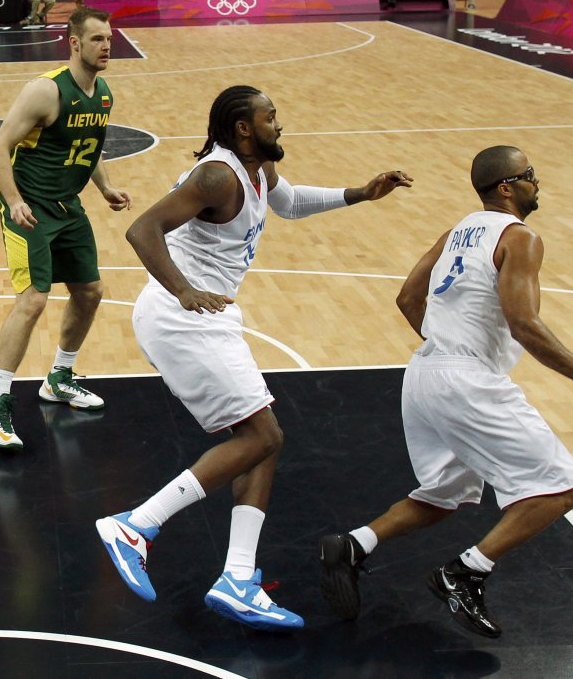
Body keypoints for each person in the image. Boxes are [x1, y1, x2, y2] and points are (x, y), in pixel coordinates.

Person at [95, 85, 412, 631]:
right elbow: (141, 229)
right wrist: (183, 290)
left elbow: (289, 203)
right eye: (270, 116)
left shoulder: (258, 170)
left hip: (209, 315)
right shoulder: (217, 176)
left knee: (261, 439)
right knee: (262, 437)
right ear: (244, 128)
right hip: (182, 316)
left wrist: (361, 193)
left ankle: (237, 578)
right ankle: (136, 525)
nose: (278, 124)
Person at [318, 146, 573, 638]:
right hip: (465, 381)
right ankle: (466, 571)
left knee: (445, 494)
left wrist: (446, 345)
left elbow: (408, 297)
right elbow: (524, 325)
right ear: (507, 187)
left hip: (424, 373)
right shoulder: (521, 238)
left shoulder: (457, 231)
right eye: (530, 174)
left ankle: (354, 544)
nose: (538, 182)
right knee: (564, 488)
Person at [0, 7, 132, 452]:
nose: (107, 46)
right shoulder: (45, 91)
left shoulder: (102, 94)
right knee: (33, 300)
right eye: (98, 39)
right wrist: (14, 201)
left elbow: (89, 147)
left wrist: (105, 187)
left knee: (90, 291)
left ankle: (59, 378)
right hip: (29, 208)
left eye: (109, 38)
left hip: (67, 206)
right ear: (75, 43)